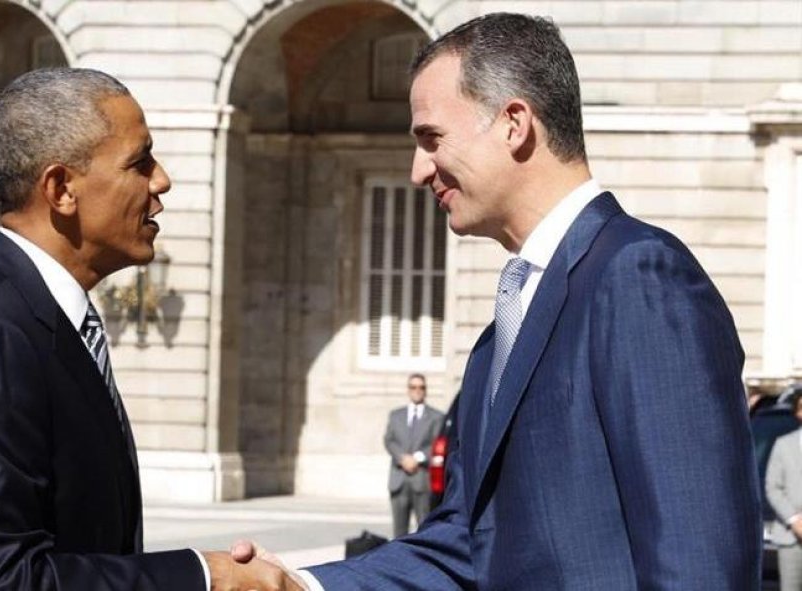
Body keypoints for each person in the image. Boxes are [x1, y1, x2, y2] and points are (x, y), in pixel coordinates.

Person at [234, 13, 761, 590]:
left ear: (513, 123)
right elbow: (467, 541)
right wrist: (296, 585)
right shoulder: (502, 331)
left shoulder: (638, 276)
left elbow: (699, 561)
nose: (417, 171)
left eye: (431, 138)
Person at [0, 67, 295, 590]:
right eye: (139, 162)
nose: (162, 181)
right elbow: (0, 578)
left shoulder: (42, 318)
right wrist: (202, 577)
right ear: (62, 188)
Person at [384, 374, 444, 538]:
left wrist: (417, 458)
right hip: (399, 480)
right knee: (399, 532)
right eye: (413, 387)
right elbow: (389, 440)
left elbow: (437, 444)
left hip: (422, 480)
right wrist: (402, 458)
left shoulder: (437, 417)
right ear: (408, 390)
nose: (417, 390)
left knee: (424, 530)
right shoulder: (395, 415)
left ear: (425, 390)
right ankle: (397, 563)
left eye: (421, 387)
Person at [765, 394, 802, 590]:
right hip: (790, 537)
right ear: (798, 413)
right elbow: (772, 487)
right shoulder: (783, 445)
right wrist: (794, 520)